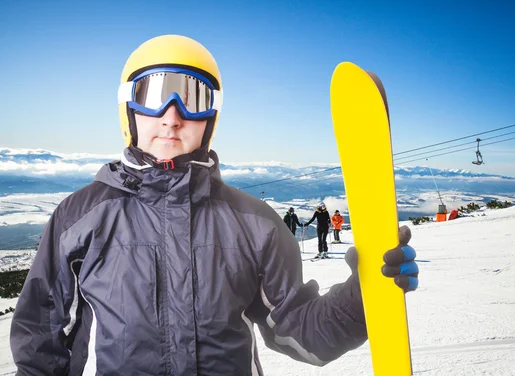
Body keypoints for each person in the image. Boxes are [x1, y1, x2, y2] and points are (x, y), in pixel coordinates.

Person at [10, 34, 420, 375]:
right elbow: (41, 337)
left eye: (192, 96)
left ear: (211, 117)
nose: (172, 115)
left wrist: (362, 298)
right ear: (129, 108)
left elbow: (300, 332)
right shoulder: (80, 218)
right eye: (153, 94)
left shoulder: (254, 223)